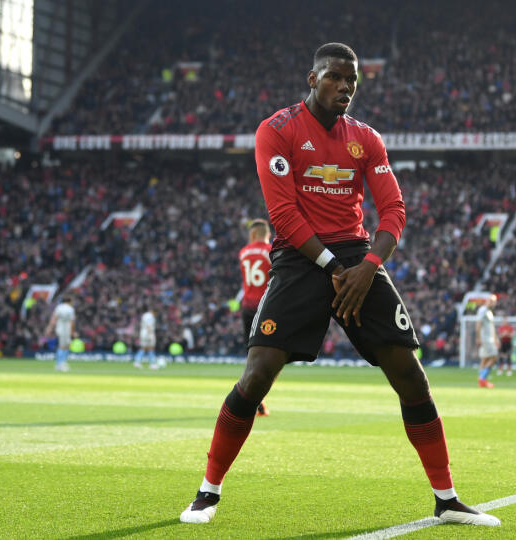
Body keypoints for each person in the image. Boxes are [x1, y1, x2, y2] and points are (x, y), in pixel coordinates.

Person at [179, 42, 499, 528]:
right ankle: (208, 491)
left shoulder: (366, 138)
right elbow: (282, 214)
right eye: (334, 77)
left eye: (352, 80)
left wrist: (368, 266)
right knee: (257, 375)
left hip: (356, 257)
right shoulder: (278, 129)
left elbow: (394, 210)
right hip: (299, 257)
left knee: (411, 377)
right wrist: (333, 268)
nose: (345, 87)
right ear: (312, 79)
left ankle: (447, 499)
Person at [238, 219, 273, 417]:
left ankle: (253, 399)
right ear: (267, 234)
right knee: (271, 355)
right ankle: (256, 400)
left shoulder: (243, 252)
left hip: (247, 309)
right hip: (266, 308)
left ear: (252, 235)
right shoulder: (272, 251)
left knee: (252, 356)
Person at [44, 297, 75, 372]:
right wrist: (73, 331)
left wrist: (49, 328)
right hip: (66, 329)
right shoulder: (70, 309)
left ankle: (60, 363)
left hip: (59, 328)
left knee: (63, 345)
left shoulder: (59, 307)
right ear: (69, 301)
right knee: (64, 346)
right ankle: (61, 364)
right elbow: (71, 322)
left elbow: (54, 318)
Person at [476, 295, 499, 388]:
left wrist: (496, 339)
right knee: (494, 358)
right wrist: (478, 338)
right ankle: (482, 378)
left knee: (484, 359)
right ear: (487, 301)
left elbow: (492, 328)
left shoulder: (489, 312)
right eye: (491, 301)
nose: (492, 303)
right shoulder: (483, 310)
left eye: (494, 301)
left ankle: (482, 381)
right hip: (485, 339)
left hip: (490, 339)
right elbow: (478, 324)